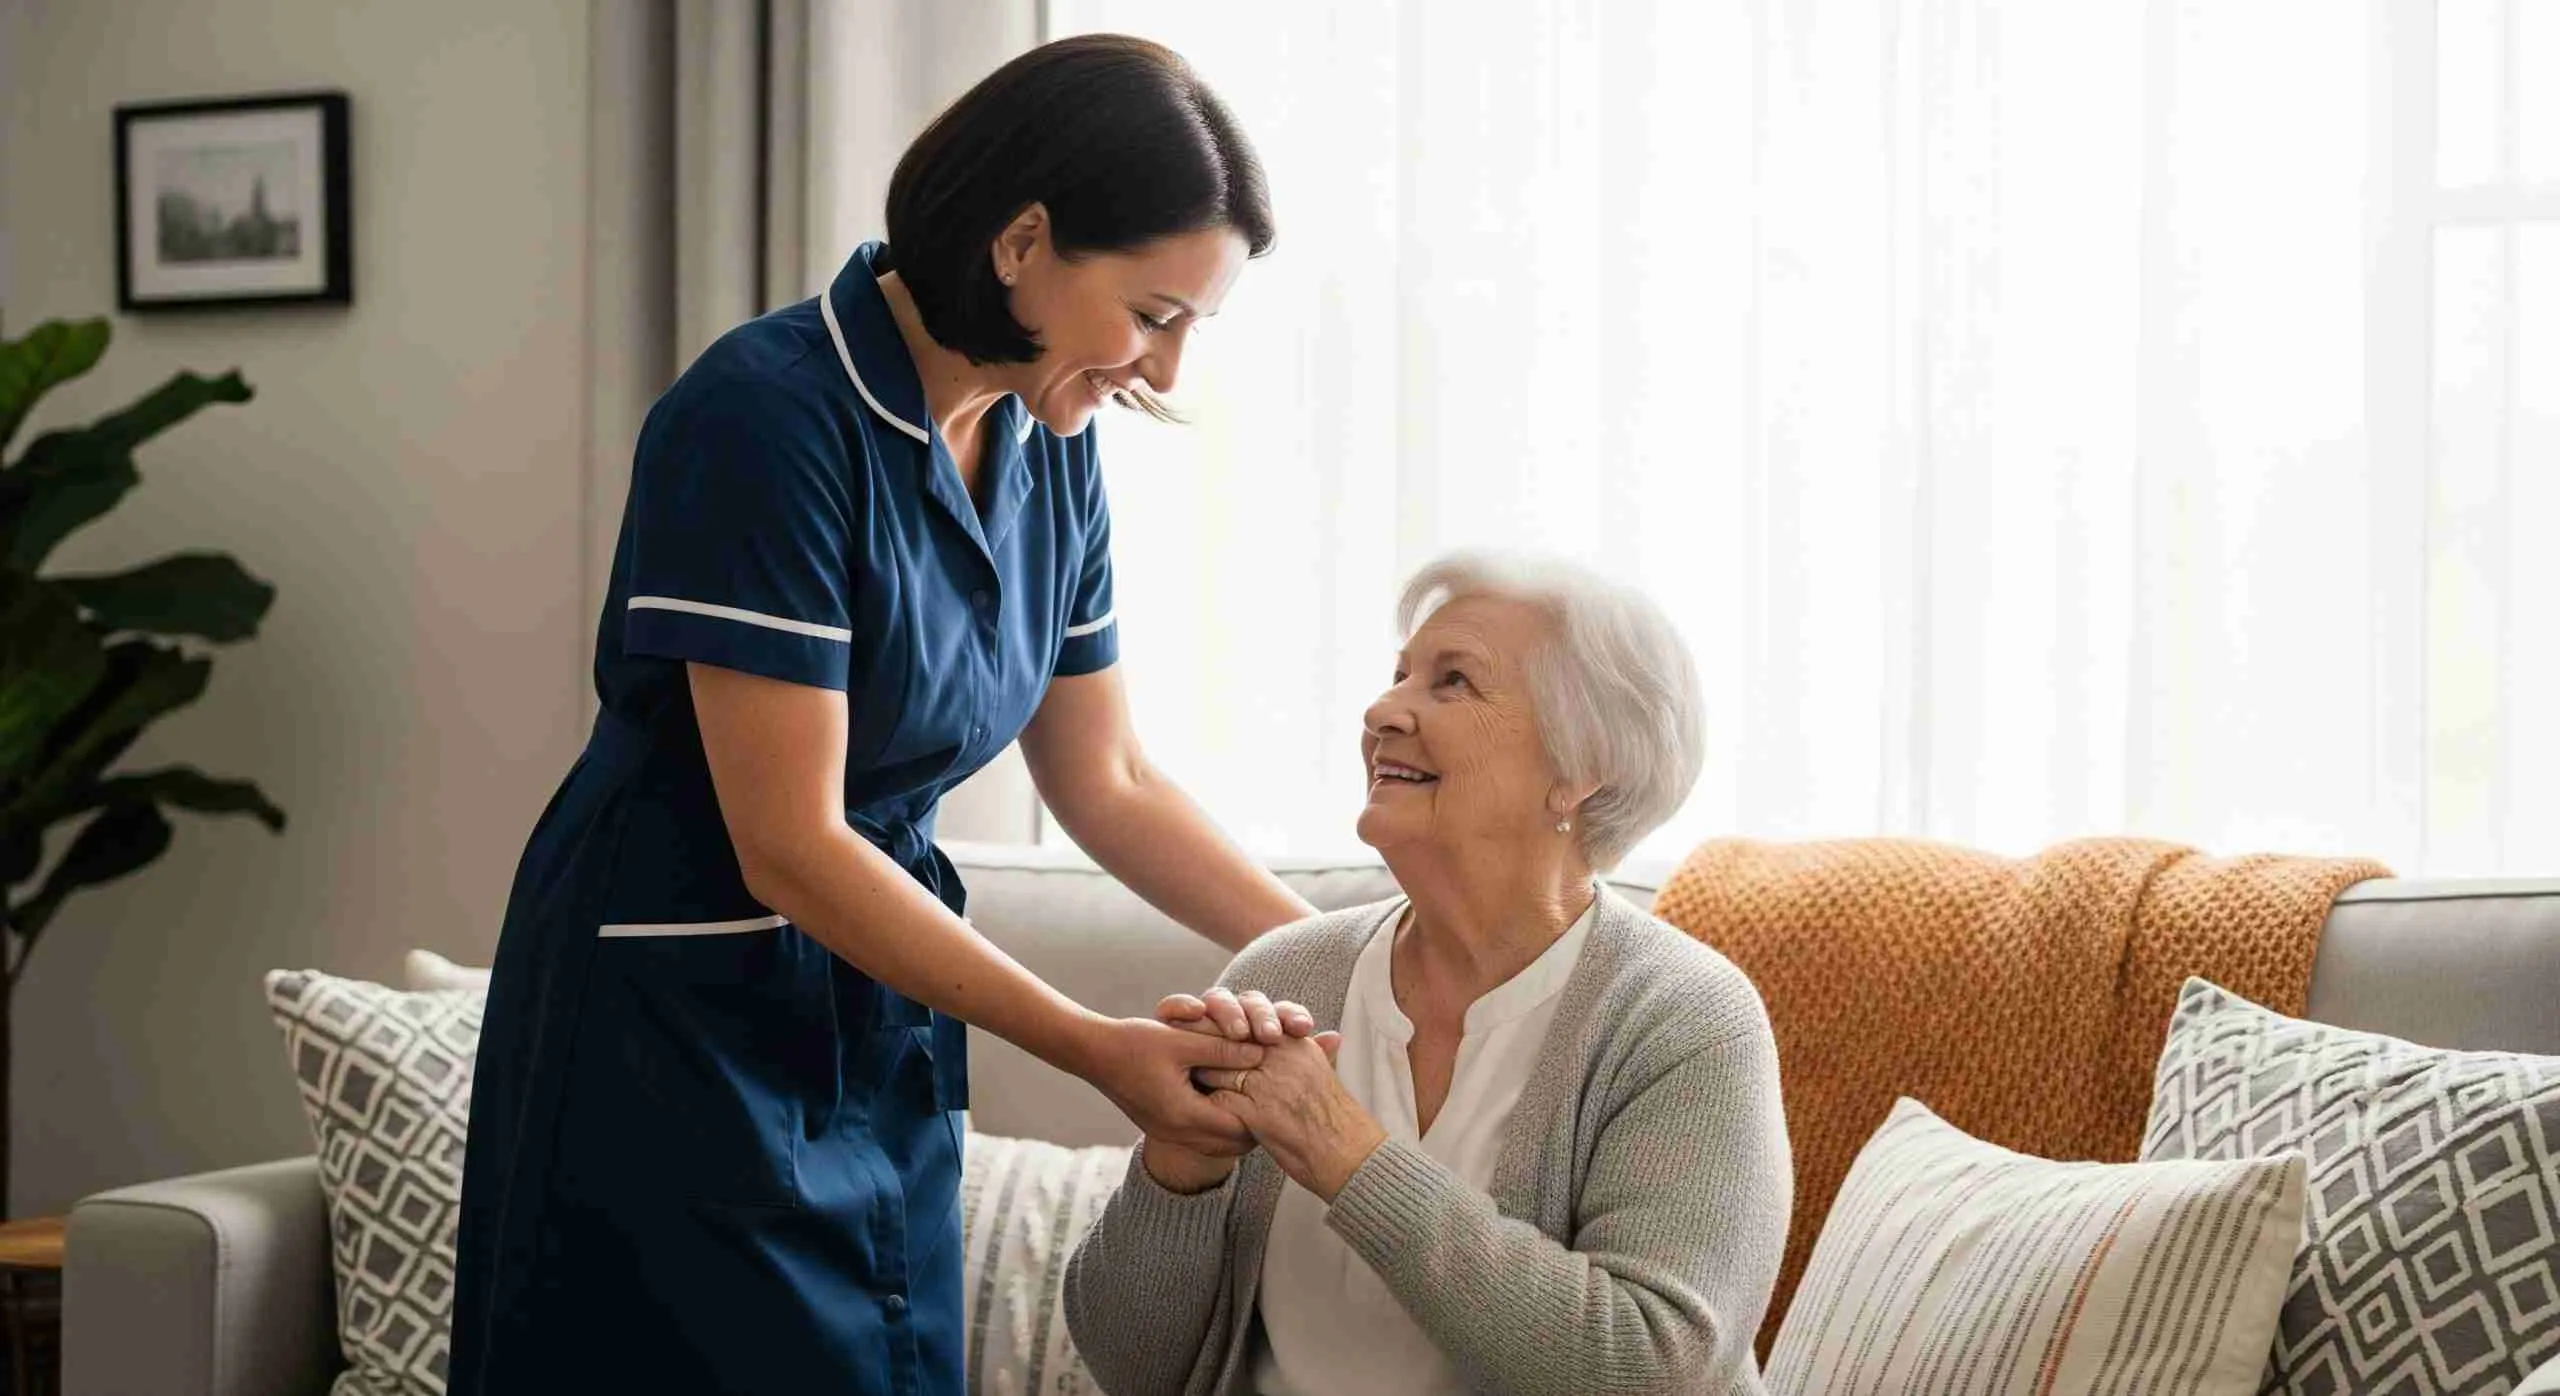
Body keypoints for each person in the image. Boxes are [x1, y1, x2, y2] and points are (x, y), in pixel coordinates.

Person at [450, 35, 1320, 1395]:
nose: (1164, 368)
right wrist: (1096, 1051)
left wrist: (1336, 957)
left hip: (870, 1017)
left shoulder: (1053, 441)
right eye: (1154, 313)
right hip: (670, 1035)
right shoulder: (763, 418)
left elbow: (1111, 782)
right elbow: (789, 844)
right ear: (1023, 242)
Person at [1065, 551, 1792, 1396]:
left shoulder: (1685, 1021)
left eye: (1453, 683)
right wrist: (1178, 1167)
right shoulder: (1287, 975)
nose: (1382, 711)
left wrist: (1346, 1152)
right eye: (1399, 675)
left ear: (1580, 770)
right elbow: (1129, 1367)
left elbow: (1649, 1365)